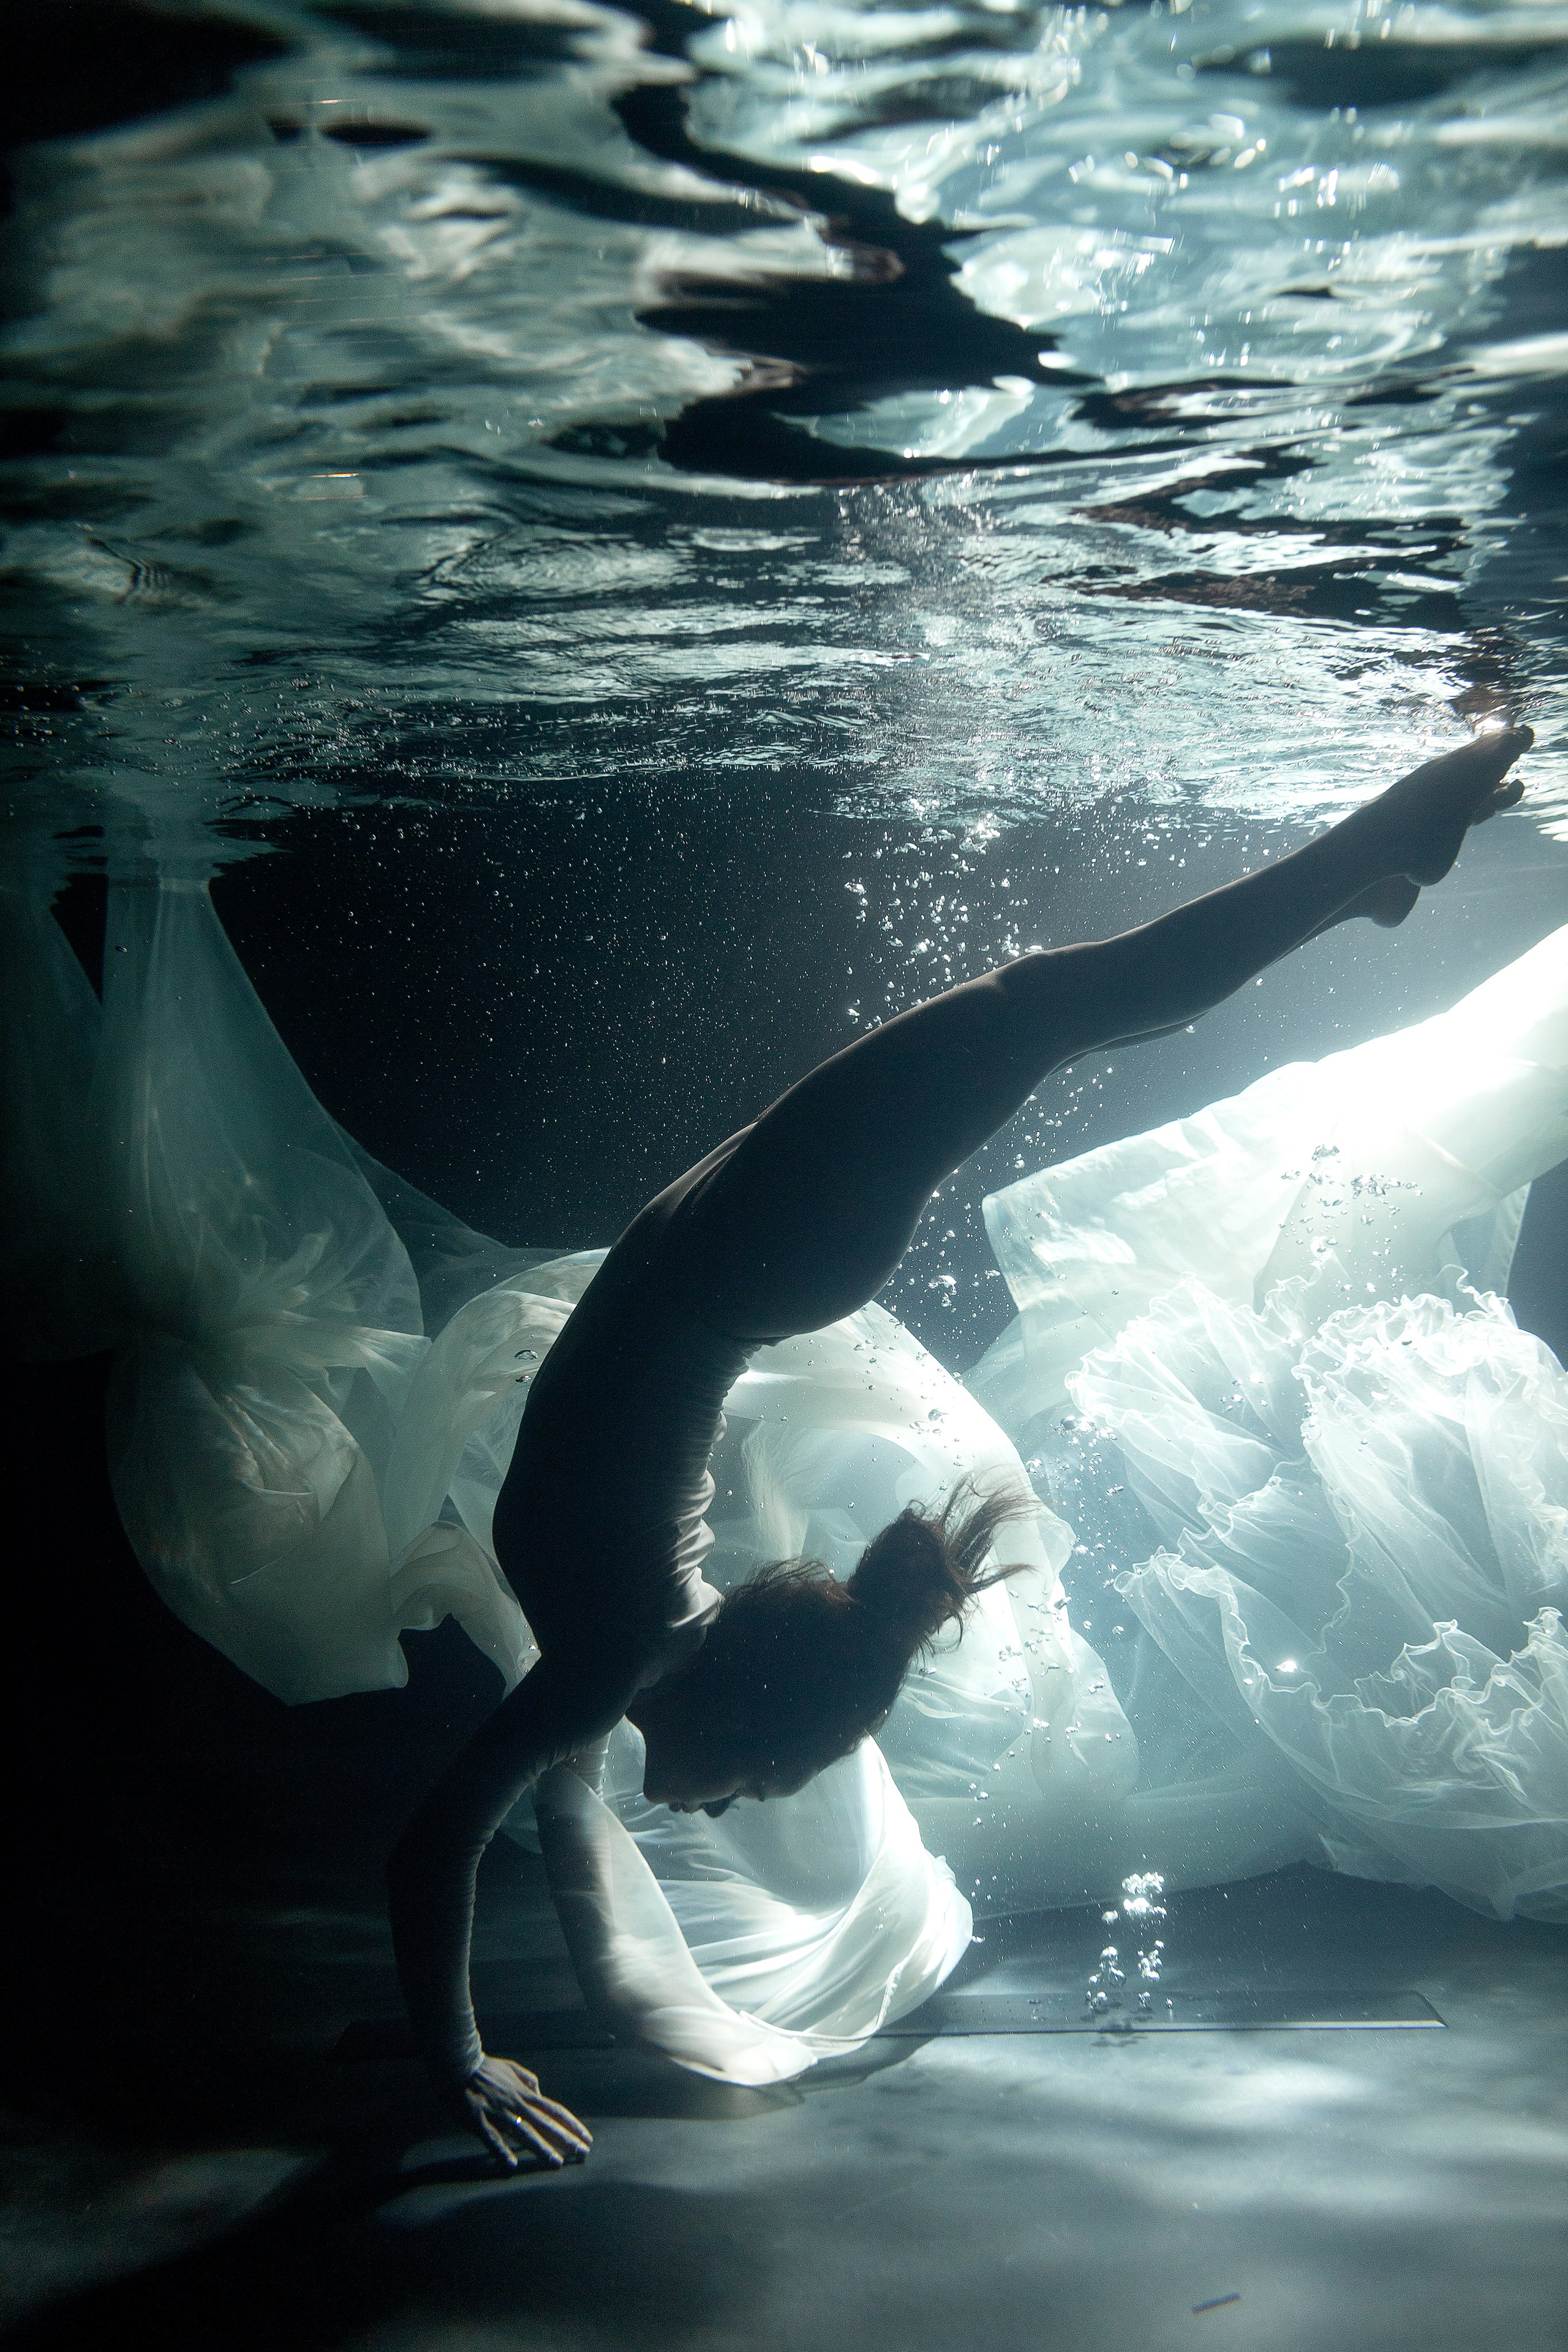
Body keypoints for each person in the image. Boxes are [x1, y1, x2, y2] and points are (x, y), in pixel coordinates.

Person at [387, 725, 1532, 2170]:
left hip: (741, 1252)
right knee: (1050, 1008)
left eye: (749, 1792)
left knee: (1055, 1007)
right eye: (754, 1788)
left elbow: (445, 1843)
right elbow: (441, 1842)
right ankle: (1374, 851)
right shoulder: (621, 1653)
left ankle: (1371, 860)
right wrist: (468, 2050)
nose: (722, 1806)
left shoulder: (616, 1659)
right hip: (747, 1253)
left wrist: (469, 2050)